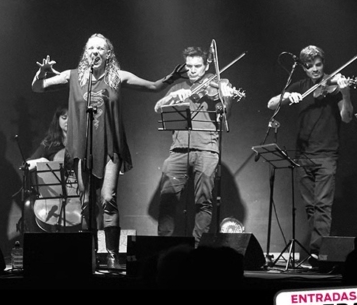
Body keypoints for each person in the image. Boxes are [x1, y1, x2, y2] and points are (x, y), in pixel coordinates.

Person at [31, 33, 186, 268]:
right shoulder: (73, 76)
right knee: (86, 203)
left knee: (108, 198)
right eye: (91, 48)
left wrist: (172, 78)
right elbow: (37, 88)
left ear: (108, 54)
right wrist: (42, 73)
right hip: (82, 148)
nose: (95, 52)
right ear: (86, 53)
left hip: (110, 147)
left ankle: (112, 254)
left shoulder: (118, 77)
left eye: (100, 48)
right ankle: (89, 254)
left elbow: (154, 87)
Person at [266, 45, 354, 266]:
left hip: (326, 154)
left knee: (323, 205)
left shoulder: (335, 85)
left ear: (323, 63)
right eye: (310, 66)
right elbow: (271, 104)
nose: (315, 69)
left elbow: (346, 117)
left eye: (318, 64)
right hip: (303, 154)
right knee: (310, 207)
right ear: (304, 68)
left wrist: (345, 92)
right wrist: (289, 96)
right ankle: (319, 251)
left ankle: (318, 254)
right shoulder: (300, 86)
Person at [153, 46, 238, 247]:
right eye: (189, 66)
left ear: (206, 65)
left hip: (207, 149)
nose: (192, 70)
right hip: (178, 150)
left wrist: (227, 97)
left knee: (203, 202)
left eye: (197, 66)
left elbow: (225, 114)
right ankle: (163, 248)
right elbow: (157, 108)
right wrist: (172, 97)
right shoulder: (179, 87)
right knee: (167, 199)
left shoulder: (218, 84)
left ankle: (199, 249)